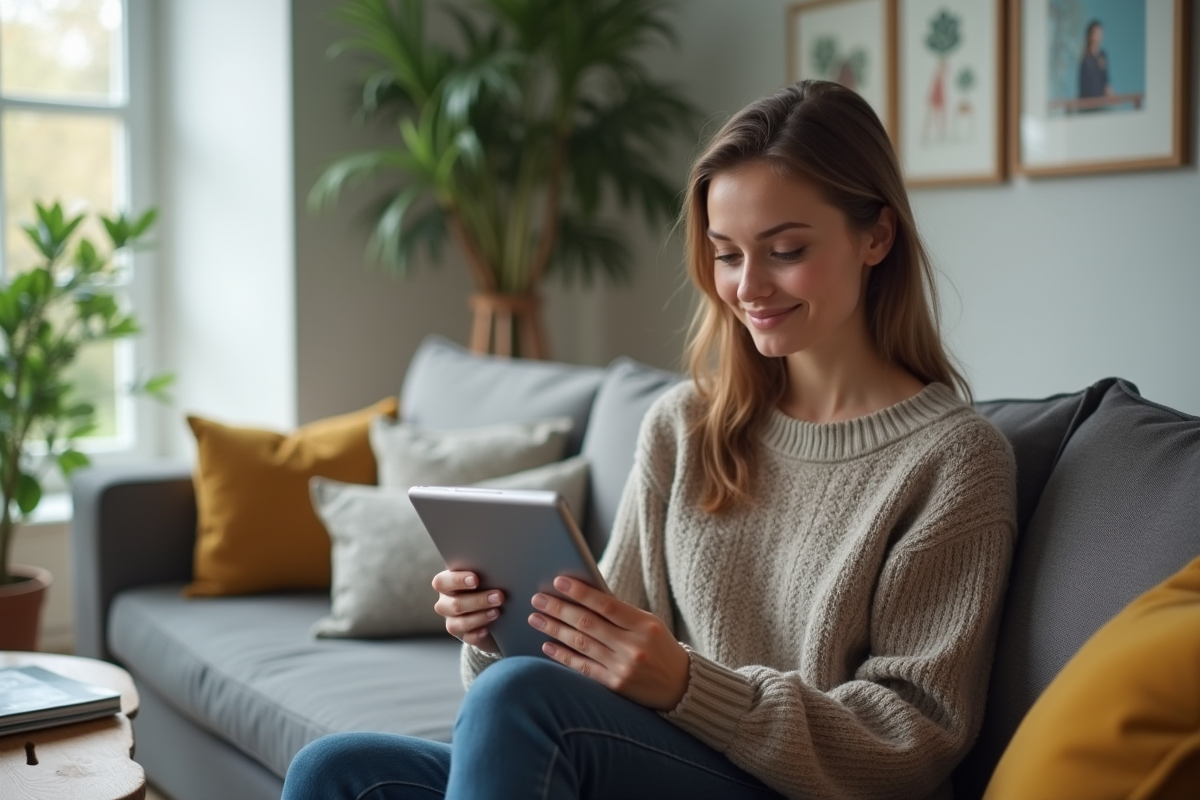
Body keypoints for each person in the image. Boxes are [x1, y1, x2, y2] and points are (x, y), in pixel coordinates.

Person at [281, 80, 1017, 800]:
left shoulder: (954, 459)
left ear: (877, 236)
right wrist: (498, 629)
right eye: (727, 254)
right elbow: (571, 666)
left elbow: (913, 739)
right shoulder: (687, 426)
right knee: (337, 773)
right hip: (651, 763)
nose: (749, 286)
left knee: (519, 703)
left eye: (785, 249)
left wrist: (691, 687)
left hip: (802, 790)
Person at [1078, 20, 1112, 102]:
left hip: (1101, 101)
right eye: (1096, 33)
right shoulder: (1085, 58)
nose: (1098, 36)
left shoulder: (1102, 56)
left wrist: (1111, 96)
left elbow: (1105, 80)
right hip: (1087, 103)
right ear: (1090, 35)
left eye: (1100, 33)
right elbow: (1082, 84)